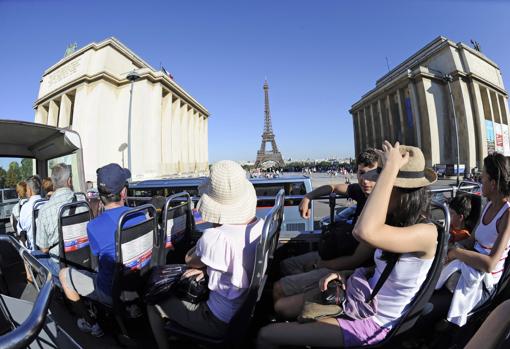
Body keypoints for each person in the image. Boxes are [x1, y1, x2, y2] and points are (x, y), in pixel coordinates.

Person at [258, 142, 437, 348]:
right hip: (360, 296)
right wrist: (347, 274)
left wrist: (389, 170)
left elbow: (363, 232)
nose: (378, 187)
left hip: (374, 322)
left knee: (265, 335)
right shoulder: (398, 222)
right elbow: (390, 271)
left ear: (401, 191)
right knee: (281, 307)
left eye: (384, 184)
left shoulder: (426, 232)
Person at [147, 160, 264, 349]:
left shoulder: (216, 237)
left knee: (153, 302)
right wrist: (209, 269)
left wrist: (209, 235)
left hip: (216, 320)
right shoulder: (259, 226)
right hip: (242, 313)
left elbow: (189, 260)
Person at [272, 149, 378, 302]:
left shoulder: (380, 209)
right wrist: (308, 196)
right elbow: (333, 187)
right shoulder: (360, 192)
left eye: (372, 175)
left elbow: (356, 260)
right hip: (340, 253)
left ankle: (299, 299)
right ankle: (304, 294)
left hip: (349, 268)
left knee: (279, 288)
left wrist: (318, 265)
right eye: (362, 173)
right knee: (286, 265)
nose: (365, 181)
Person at [59, 163, 145, 337]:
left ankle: (92, 324)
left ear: (100, 195)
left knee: (64, 275)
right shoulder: (140, 215)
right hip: (139, 283)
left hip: (110, 291)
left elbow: (97, 258)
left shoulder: (93, 226)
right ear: (123, 193)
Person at [434, 152, 510, 327]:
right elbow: (473, 240)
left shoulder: (506, 215)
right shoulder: (489, 204)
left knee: (433, 304)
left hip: (484, 282)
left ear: (493, 183)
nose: (480, 180)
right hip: (470, 265)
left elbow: (490, 264)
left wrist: (457, 253)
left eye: (483, 178)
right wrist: (451, 245)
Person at [32, 163, 84, 277]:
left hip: (61, 264)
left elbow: (44, 248)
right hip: (84, 257)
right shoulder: (83, 201)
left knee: (34, 254)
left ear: (53, 183)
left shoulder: (44, 210)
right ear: (69, 181)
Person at [17, 176, 42, 249]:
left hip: (33, 251)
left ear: (30, 191)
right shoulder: (47, 203)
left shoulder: (25, 208)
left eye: (27, 189)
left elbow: (20, 229)